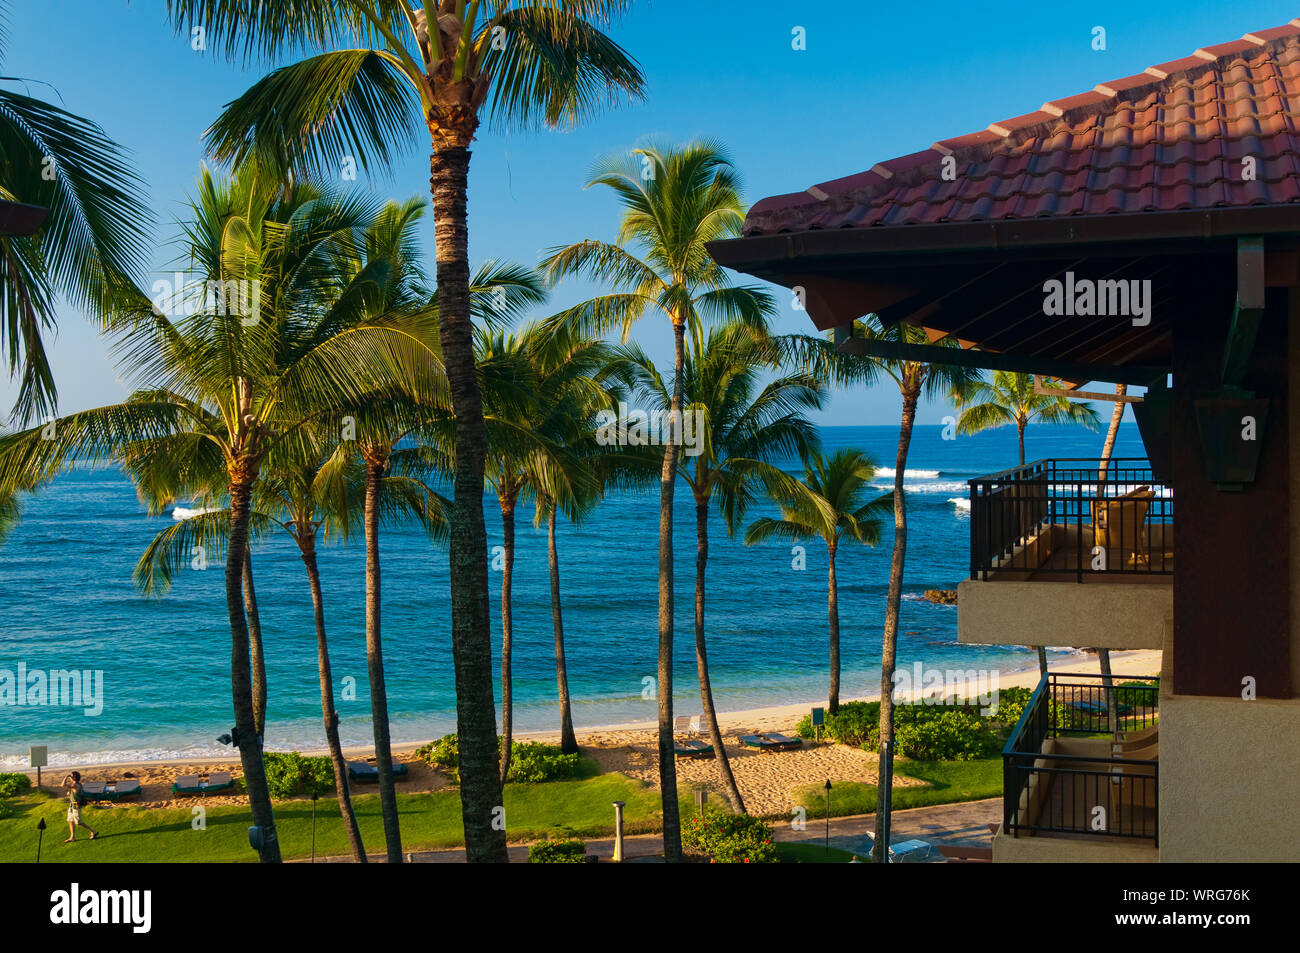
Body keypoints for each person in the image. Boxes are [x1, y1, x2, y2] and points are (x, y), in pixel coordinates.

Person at [62, 771, 97, 842]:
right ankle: (72, 837)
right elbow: (73, 792)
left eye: (71, 776)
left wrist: (65, 777)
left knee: (78, 822)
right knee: (70, 820)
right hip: (72, 805)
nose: (70, 777)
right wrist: (70, 793)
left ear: (73, 778)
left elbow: (63, 785)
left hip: (76, 805)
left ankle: (93, 831)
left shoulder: (76, 785)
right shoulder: (75, 784)